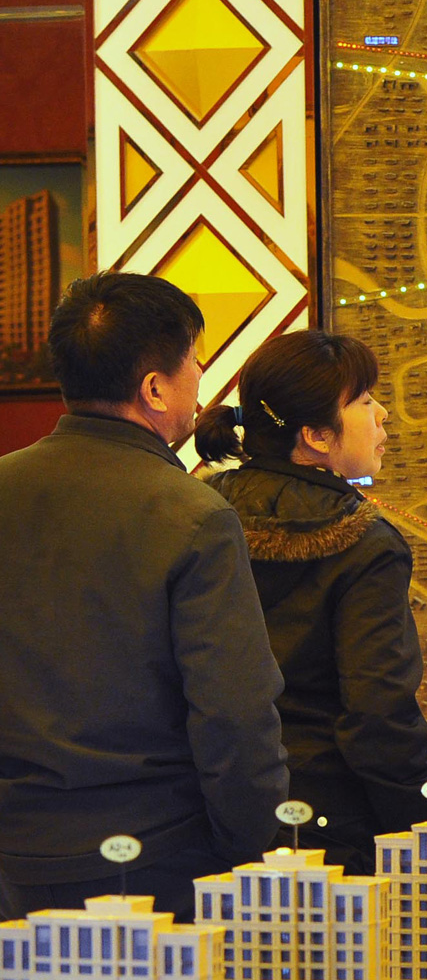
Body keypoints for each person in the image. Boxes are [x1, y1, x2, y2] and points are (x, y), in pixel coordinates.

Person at [0, 272, 289, 921]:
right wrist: (253, 855)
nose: (201, 375)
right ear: (155, 388)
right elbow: (234, 716)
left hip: (16, 858)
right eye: (195, 359)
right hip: (157, 863)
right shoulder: (194, 515)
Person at [194, 329, 427, 874]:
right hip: (330, 825)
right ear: (315, 435)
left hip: (208, 813)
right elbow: (378, 716)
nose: (382, 415)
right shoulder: (366, 543)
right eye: (364, 401)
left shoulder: (197, 517)